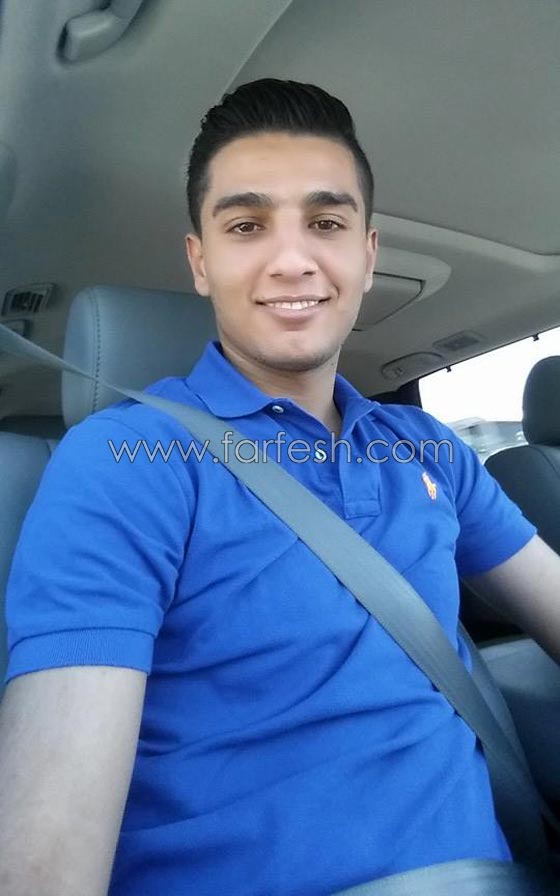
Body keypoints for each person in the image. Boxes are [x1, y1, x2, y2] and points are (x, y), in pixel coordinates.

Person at [0, 78, 559, 896]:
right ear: (200, 261)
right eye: (246, 225)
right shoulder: (121, 463)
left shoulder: (429, 449)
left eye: (326, 224)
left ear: (367, 254)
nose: (293, 259)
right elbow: (48, 862)